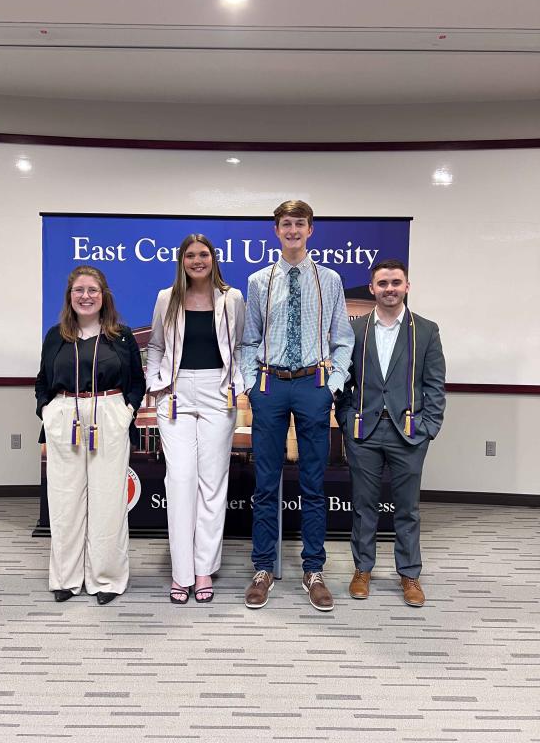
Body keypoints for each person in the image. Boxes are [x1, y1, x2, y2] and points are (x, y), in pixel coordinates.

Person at [241, 200, 354, 611]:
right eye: (286, 224)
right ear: (276, 230)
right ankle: (263, 568)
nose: (293, 230)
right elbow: (248, 340)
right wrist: (251, 384)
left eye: (299, 224)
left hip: (313, 385)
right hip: (270, 384)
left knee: (313, 484)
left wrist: (334, 385)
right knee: (266, 483)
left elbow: (342, 337)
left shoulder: (330, 279)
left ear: (311, 230)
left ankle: (313, 570)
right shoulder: (258, 281)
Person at [335, 259, 445, 607]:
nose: (390, 289)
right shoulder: (354, 331)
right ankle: (362, 570)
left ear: (407, 286)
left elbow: (434, 385)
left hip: (409, 432)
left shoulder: (426, 330)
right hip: (364, 431)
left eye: (396, 282)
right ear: (372, 289)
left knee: (407, 509)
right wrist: (346, 420)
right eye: (382, 283)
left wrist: (428, 428)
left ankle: (409, 575)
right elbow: (343, 382)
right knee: (364, 507)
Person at [35, 265, 145, 605]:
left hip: (109, 416)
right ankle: (66, 578)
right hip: (66, 417)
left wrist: (126, 409)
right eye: (79, 290)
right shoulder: (56, 335)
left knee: (108, 500)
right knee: (65, 500)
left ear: (104, 296)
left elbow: (137, 383)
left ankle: (106, 579)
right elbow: (42, 381)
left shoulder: (122, 336)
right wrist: (48, 411)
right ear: (70, 296)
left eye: (92, 290)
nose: (86, 296)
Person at [146, 234, 245, 604]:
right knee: (181, 478)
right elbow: (155, 345)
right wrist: (155, 383)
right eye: (191, 255)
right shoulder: (165, 298)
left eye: (204, 254)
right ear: (182, 260)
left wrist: (239, 384)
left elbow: (241, 344)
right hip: (175, 392)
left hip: (217, 391)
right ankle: (181, 572)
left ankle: (204, 569)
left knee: (212, 482)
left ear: (213, 259)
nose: (198, 260)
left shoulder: (231, 298)